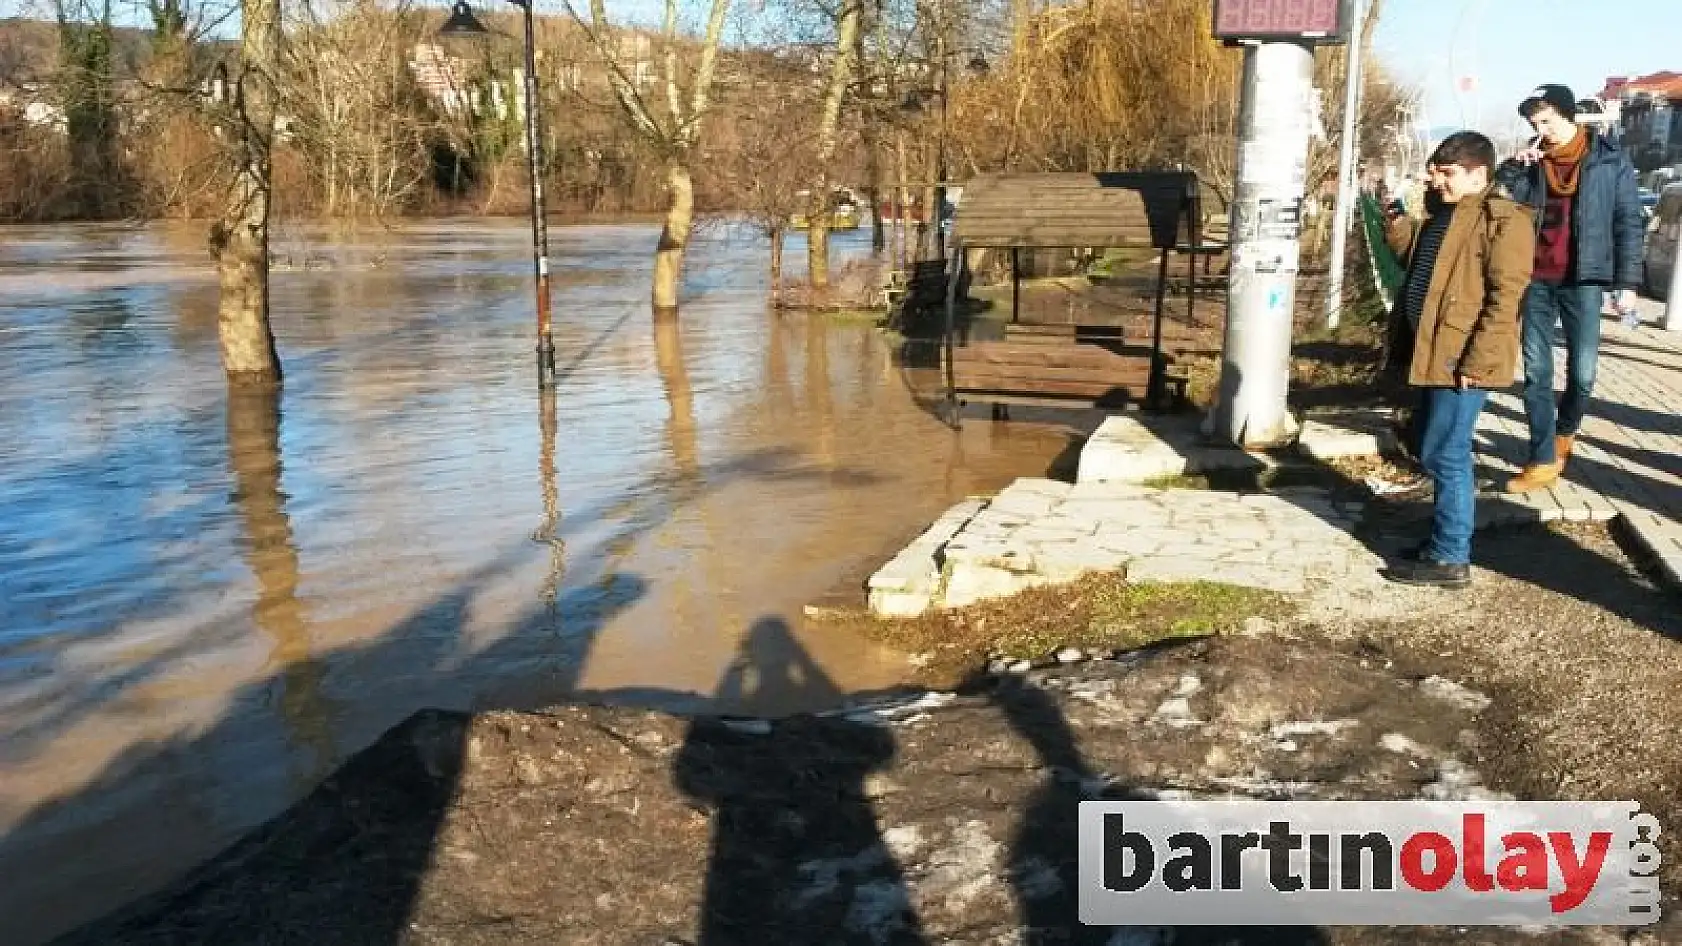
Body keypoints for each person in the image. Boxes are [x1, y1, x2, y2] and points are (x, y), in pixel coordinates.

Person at [1383, 132, 1536, 588]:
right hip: (1433, 352)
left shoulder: (1504, 222)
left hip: (1460, 361)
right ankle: (1440, 544)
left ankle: (1451, 557)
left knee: (1447, 453)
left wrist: (1478, 360)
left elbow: (1506, 300)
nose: (1437, 181)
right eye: (1436, 172)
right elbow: (1422, 262)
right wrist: (1396, 224)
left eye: (1447, 174)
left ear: (1478, 174)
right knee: (1432, 448)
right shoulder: (1445, 215)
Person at [1493, 84, 1645, 493]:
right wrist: (1512, 169)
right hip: (1537, 279)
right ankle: (1542, 457)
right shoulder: (1532, 163)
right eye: (1533, 123)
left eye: (1547, 120)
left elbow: (1629, 221)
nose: (1541, 130)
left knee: (1583, 375)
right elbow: (1506, 208)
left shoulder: (1609, 160)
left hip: (1584, 280)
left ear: (1568, 115)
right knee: (1537, 372)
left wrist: (1627, 284)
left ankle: (1565, 432)